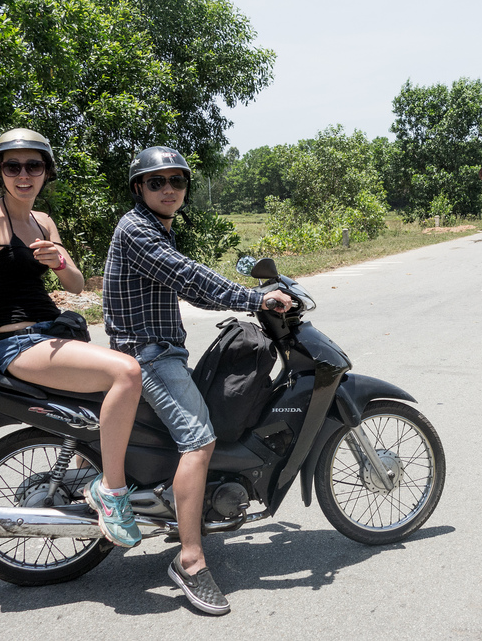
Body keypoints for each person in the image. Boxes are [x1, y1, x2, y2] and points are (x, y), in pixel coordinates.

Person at [0, 128, 144, 549]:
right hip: (19, 343)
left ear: (46, 171)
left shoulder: (42, 221)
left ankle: (86, 475)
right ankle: (111, 494)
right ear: (0, 172)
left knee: (126, 385)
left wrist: (58, 261)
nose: (24, 174)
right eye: (13, 166)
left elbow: (75, 284)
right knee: (127, 374)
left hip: (53, 333)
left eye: (33, 165)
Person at [103, 146, 291, 615]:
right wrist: (256, 298)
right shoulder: (138, 231)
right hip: (148, 355)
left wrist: (261, 282)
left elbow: (192, 273)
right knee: (199, 439)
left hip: (160, 350)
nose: (168, 189)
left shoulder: (154, 229)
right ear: (138, 188)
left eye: (177, 181)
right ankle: (189, 559)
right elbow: (191, 279)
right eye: (156, 182)